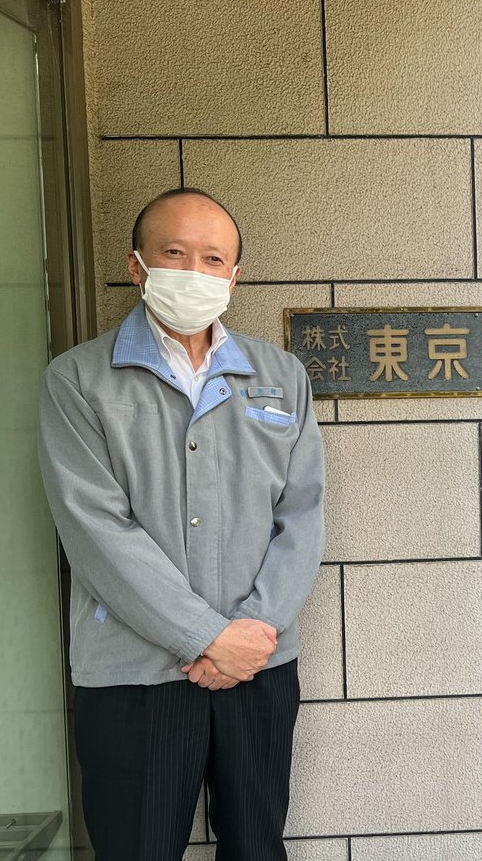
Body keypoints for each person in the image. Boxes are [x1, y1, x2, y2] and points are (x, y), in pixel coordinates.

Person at [38, 187, 325, 860]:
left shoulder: (281, 376)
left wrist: (251, 633)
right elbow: (96, 530)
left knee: (257, 847)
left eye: (212, 258)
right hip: (134, 672)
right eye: (174, 253)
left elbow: (302, 515)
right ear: (137, 265)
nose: (194, 271)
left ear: (234, 276)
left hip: (257, 663)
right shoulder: (79, 381)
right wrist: (205, 636)